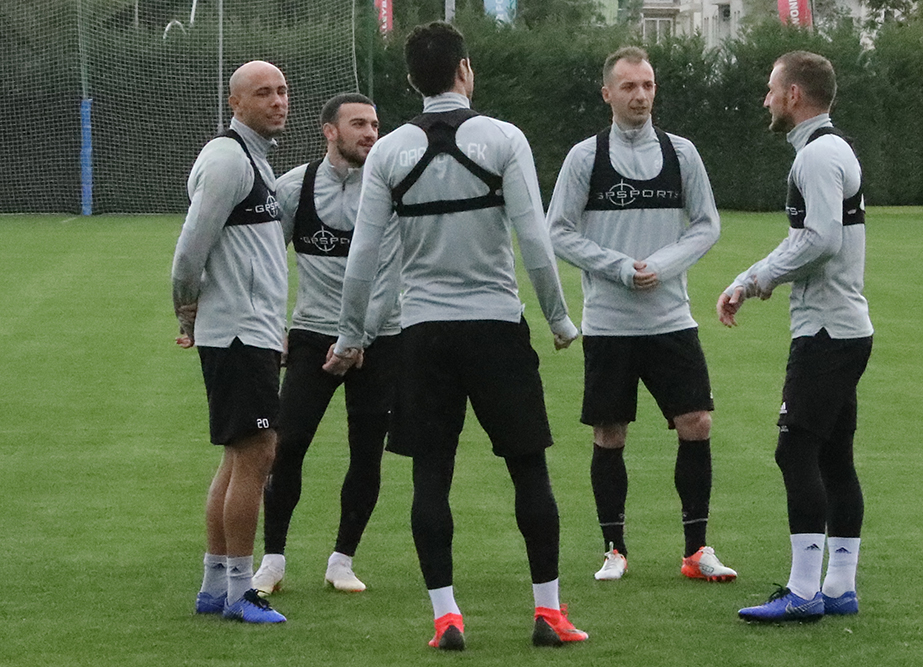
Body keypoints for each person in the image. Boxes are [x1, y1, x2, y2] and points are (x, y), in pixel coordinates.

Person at [324, 21, 587, 651]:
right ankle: (548, 613)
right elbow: (533, 239)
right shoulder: (503, 138)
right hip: (496, 328)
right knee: (529, 470)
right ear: (465, 70)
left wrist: (352, 335)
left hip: (422, 334)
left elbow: (364, 259)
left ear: (411, 79)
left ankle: (446, 618)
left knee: (430, 477)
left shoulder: (388, 153)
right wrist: (558, 319)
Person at [547, 46, 736, 584]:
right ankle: (615, 549)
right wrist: (619, 268)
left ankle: (697, 550)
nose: (640, 96)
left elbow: (706, 224)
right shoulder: (586, 157)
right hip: (609, 323)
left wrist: (661, 265)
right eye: (629, 86)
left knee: (696, 423)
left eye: (648, 85)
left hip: (671, 320)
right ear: (607, 93)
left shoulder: (682, 153)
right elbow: (557, 229)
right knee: (610, 433)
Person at [718, 51, 872, 623]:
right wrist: (751, 276)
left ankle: (805, 591)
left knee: (795, 450)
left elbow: (820, 240)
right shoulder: (829, 149)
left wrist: (757, 279)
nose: (765, 99)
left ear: (794, 95)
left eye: (770, 89)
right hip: (842, 329)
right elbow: (811, 237)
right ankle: (839, 587)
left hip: (827, 332)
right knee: (833, 456)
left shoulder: (818, 155)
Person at [250, 94, 401, 597]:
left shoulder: (390, 190)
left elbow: (389, 275)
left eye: (374, 124)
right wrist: (274, 327)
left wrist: (357, 338)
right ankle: (272, 561)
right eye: (358, 124)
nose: (370, 133)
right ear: (329, 131)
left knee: (366, 452)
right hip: (313, 336)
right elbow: (266, 264)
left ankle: (342, 560)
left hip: (379, 339)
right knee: (287, 446)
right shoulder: (293, 188)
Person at [171, 60, 290, 623]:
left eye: (282, 91)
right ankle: (242, 591)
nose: (277, 101)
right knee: (258, 453)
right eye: (263, 93)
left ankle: (215, 586)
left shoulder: (255, 159)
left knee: (240, 454)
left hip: (253, 330)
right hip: (238, 332)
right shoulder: (227, 159)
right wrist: (185, 310)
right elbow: (190, 248)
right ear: (235, 103)